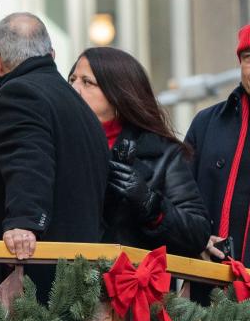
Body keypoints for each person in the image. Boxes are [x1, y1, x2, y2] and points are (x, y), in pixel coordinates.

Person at [0, 12, 109, 258]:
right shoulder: (76, 102)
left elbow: (29, 159)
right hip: (80, 266)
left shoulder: (19, 93)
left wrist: (24, 221)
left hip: (32, 273)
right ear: (51, 54)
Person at [69, 47, 210, 256]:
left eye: (86, 82)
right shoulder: (59, 142)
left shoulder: (163, 153)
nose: (73, 88)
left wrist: (151, 205)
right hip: (62, 284)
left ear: (116, 93)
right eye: (72, 79)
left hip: (132, 283)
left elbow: (198, 233)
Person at [186, 25, 250, 263]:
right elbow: (178, 199)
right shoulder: (206, 123)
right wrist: (196, 239)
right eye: (248, 58)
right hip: (211, 283)